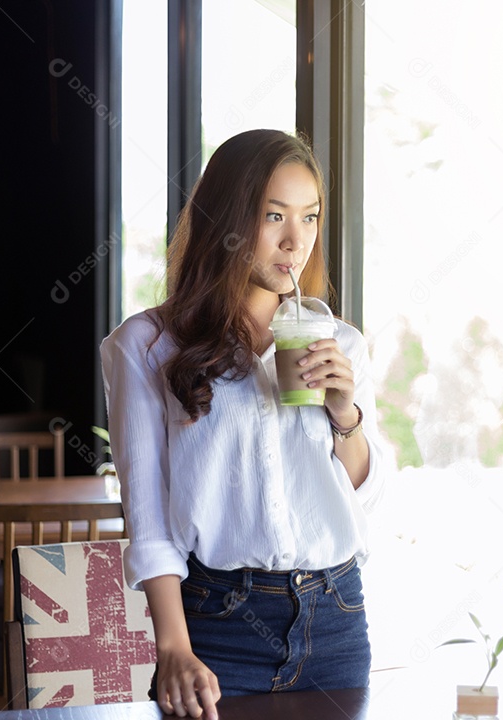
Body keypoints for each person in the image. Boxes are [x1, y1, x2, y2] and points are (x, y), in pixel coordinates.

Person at [100, 128, 387, 719]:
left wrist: (344, 414)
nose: (295, 240)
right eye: (274, 215)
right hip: (217, 627)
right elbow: (148, 518)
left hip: (335, 618)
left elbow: (362, 493)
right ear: (227, 219)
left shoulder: (342, 344)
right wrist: (173, 646)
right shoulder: (148, 347)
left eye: (309, 218)